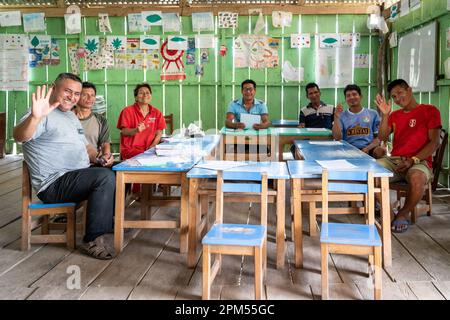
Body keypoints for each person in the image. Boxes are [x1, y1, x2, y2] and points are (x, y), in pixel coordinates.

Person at [13, 73, 115, 260]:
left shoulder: (70, 116)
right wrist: (35, 117)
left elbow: (86, 147)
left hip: (77, 175)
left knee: (115, 171)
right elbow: (20, 136)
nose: (72, 97)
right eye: (67, 91)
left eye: (76, 93)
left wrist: (100, 158)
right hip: (54, 184)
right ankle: (93, 238)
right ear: (54, 87)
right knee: (104, 178)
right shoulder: (40, 112)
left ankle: (108, 222)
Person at [375, 79, 441, 233]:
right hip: (395, 160)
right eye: (394, 96)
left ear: (409, 90)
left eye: (400, 93)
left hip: (420, 161)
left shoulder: (430, 110)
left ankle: (403, 214)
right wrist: (385, 115)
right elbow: (383, 137)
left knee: (417, 177)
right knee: (372, 173)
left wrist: (414, 160)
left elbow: (435, 142)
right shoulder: (395, 115)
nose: (398, 99)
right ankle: (388, 213)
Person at [332, 84, 384, 158]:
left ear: (361, 96)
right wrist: (336, 117)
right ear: (345, 99)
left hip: (369, 149)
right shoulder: (341, 115)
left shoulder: (373, 113)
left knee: (380, 150)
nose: (351, 97)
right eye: (348, 95)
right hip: (348, 151)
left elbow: (378, 138)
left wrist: (367, 149)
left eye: (354, 94)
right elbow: (337, 138)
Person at [117, 83, 166, 160]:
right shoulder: (127, 111)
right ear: (136, 97)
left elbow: (159, 133)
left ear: (151, 96)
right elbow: (124, 131)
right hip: (131, 152)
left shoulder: (157, 113)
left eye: (147, 92)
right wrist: (136, 130)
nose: (145, 95)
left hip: (150, 151)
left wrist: (151, 148)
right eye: (141, 93)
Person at [72, 82, 113, 166]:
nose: (90, 98)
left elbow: (105, 145)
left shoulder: (101, 120)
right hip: (71, 164)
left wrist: (106, 158)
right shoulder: (67, 118)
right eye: (85, 95)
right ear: (77, 96)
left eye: (93, 95)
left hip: (93, 162)